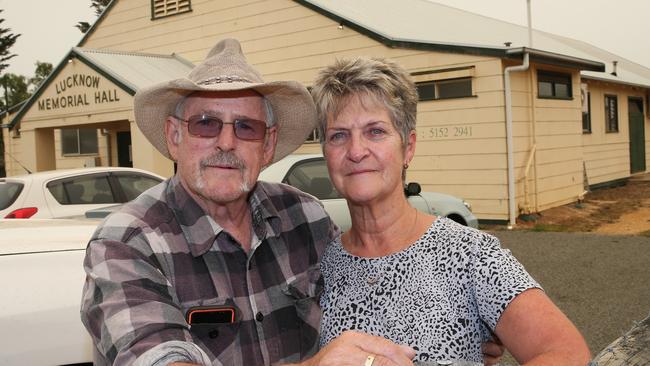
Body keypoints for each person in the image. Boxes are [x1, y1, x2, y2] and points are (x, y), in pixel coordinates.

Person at [80, 39, 417, 366]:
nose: (226, 142)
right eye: (206, 124)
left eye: (246, 127)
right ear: (174, 136)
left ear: (267, 145)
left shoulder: (305, 219)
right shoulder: (128, 241)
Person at [310, 56, 592, 365]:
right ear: (326, 153)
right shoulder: (321, 266)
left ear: (409, 146)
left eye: (375, 131)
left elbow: (567, 353)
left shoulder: (469, 254)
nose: (356, 151)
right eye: (338, 135)